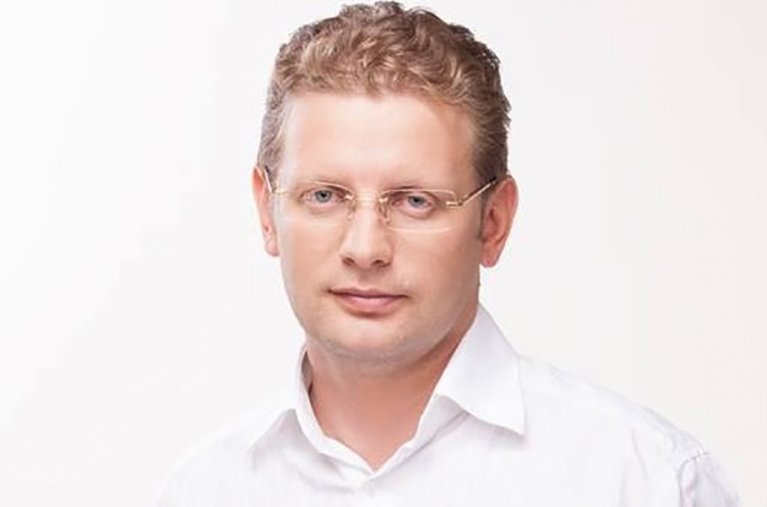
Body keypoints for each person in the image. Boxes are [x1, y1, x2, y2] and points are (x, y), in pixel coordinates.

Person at [156, 2, 740, 505]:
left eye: (415, 202)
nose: (365, 249)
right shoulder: (202, 491)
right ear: (268, 211)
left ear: (494, 222)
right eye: (325, 196)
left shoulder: (646, 482)